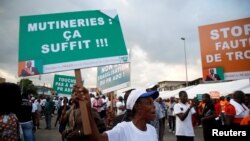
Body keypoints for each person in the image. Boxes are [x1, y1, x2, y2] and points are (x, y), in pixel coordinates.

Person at [82, 86, 159, 141]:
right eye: (149, 103)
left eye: (153, 102)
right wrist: (88, 109)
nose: (154, 106)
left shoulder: (152, 130)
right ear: (137, 106)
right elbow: (98, 139)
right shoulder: (123, 129)